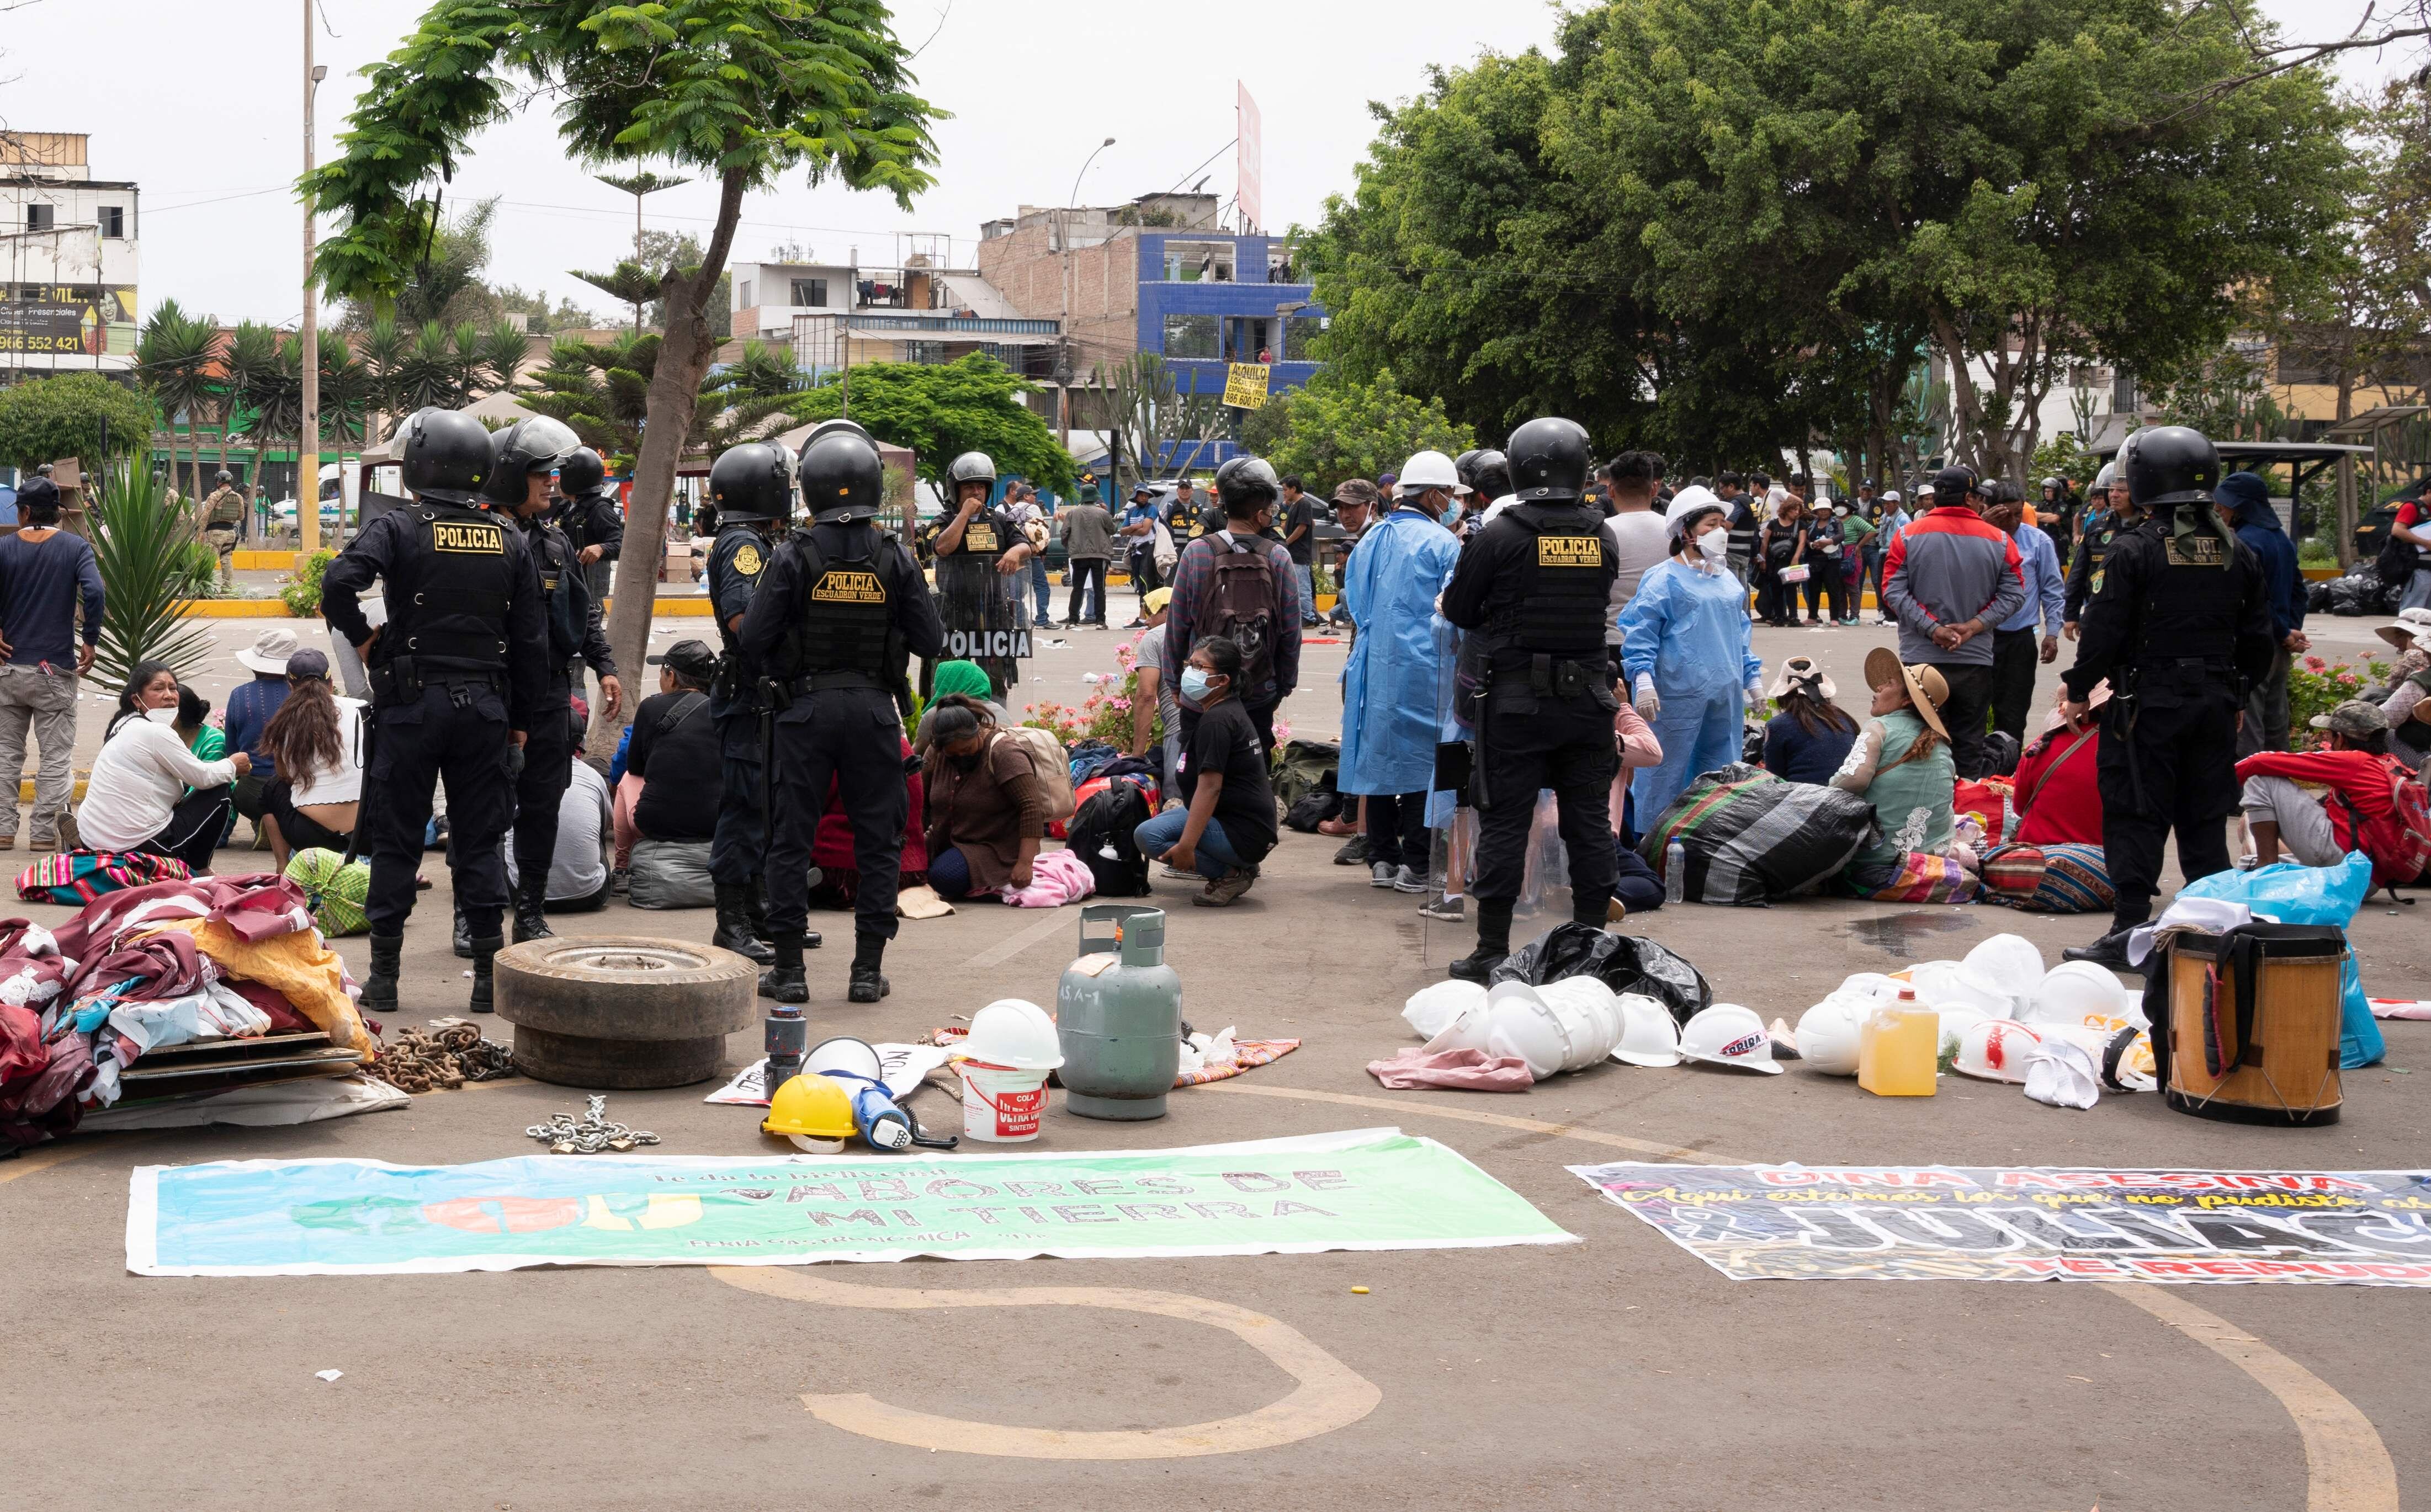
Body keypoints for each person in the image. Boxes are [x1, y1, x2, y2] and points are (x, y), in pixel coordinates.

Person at [321, 406, 548, 1014]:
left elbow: (338, 581)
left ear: (420, 466)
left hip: (412, 707)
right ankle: (482, 980)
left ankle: (387, 980)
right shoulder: (510, 540)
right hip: (486, 713)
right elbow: (532, 644)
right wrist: (521, 725)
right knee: (478, 843)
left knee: (396, 841)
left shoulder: (399, 527)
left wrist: (367, 641)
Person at [2057, 425, 2277, 972]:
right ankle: (2210, 934)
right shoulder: (2240, 554)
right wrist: (2237, 694)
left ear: (2147, 479)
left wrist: (2080, 688)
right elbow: (2258, 639)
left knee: (2136, 812)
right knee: (2204, 818)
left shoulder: (2133, 550)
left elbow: (2103, 628)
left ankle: (2131, 931)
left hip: (2146, 708)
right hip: (2215, 706)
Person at [743, 422, 945, 1003]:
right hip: (874, 712)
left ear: (811, 489)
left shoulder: (793, 556)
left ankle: (790, 971)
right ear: (869, 487)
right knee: (876, 843)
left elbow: (755, 636)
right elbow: (930, 639)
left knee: (790, 840)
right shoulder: (895, 557)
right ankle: (865, 971)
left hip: (804, 710)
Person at [1439, 417, 1623, 978]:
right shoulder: (1601, 534)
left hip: (1515, 705)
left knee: (1504, 821)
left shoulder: (1500, 535)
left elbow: (1463, 610)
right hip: (1589, 702)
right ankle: (1591, 946)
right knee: (1589, 822)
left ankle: (1491, 949)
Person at [491, 417, 621, 944]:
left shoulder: (556, 542)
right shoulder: (483, 540)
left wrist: (605, 666)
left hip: (548, 695)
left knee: (543, 804)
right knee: (483, 805)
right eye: (541, 472)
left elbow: (581, 610)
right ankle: (470, 916)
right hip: (492, 695)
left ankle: (530, 912)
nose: (553, 481)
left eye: (554, 472)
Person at [1337, 450, 1465, 892]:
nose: (1453, 501)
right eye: (1449, 493)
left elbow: (1355, 601)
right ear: (1433, 495)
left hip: (1375, 666)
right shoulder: (1444, 543)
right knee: (1422, 766)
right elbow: (1454, 610)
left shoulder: (1371, 539)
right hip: (1426, 668)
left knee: (1378, 759)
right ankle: (1417, 863)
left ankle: (1382, 859)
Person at [1617, 485, 1764, 828]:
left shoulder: (1727, 579)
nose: (1719, 532)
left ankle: (1708, 839)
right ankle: (1653, 842)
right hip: (1677, 693)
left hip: (1725, 693)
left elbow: (1739, 633)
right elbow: (1641, 632)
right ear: (1686, 531)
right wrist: (1643, 680)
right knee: (1666, 771)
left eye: (1721, 524)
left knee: (1720, 771)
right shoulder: (1664, 578)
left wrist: (1752, 678)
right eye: (1710, 524)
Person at [702, 439, 796, 966]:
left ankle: (759, 913)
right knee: (743, 812)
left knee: (765, 808)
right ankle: (731, 924)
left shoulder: (754, 540)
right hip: (747, 699)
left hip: (759, 697)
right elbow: (744, 621)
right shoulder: (742, 546)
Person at [1881, 466, 2025, 779]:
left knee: (1921, 746)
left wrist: (1934, 629)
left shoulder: (1907, 535)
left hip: (1921, 663)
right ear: (1971, 498)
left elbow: (1892, 590)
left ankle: (1923, 820)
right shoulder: (2000, 540)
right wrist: (1974, 626)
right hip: (1974, 662)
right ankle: (1964, 819)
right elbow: (2015, 595)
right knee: (1968, 748)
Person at [1165, 455, 1302, 757]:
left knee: (1199, 775)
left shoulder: (1197, 552)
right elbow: (1291, 632)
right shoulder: (1278, 557)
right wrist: (1282, 687)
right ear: (1260, 514)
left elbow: (1177, 625)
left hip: (1202, 691)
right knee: (1250, 778)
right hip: (1258, 692)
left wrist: (1176, 682)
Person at [1134, 635, 1278, 906]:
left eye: (1200, 668)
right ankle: (1236, 863)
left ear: (1222, 681)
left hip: (1242, 832)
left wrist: (1187, 847)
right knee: (1151, 829)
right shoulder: (1220, 711)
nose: (1190, 673)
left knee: (1149, 837)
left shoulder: (1218, 720)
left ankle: (1231, 873)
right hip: (1234, 821)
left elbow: (1210, 788)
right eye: (1191, 664)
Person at [0, 471, 100, 852]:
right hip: (54, 670)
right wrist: (89, 639)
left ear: (24, 512)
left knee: (6, 756)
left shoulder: (5, 549)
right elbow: (94, 592)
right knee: (56, 757)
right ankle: (43, 834)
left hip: (9, 671)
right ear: (56, 512)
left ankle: (4, 830)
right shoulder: (76, 549)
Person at [76, 662, 247, 874]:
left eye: (173, 688)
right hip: (137, 845)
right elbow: (202, 777)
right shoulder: (156, 732)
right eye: (158, 689)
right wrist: (233, 765)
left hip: (91, 840)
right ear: (136, 699)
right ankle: (199, 868)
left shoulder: (124, 723)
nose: (169, 695)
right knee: (219, 789)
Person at [2237, 700, 2428, 883]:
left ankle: (2265, 868)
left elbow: (2260, 761)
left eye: (2330, 735)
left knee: (2260, 780)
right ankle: (2264, 866)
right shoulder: (2389, 762)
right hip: (2368, 880)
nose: (2328, 740)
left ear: (2341, 738)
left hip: (2341, 862)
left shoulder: (2356, 761)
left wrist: (2215, 784)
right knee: (2247, 863)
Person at [1830, 648, 1966, 898]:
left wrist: (1820, 795)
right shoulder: (1941, 745)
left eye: (1889, 684)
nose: (1878, 689)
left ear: (1906, 701)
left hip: (1876, 863)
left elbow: (1853, 780)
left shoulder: (1880, 728)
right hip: (1930, 863)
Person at [920, 695, 1045, 904]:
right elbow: (920, 802)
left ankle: (996, 881)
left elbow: (1032, 806)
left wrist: (1025, 863)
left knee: (943, 877)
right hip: (948, 842)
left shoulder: (1005, 752)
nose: (961, 757)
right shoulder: (936, 753)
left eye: (967, 750)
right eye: (953, 754)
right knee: (896, 869)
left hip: (995, 848)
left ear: (978, 731)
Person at [931, 451, 1034, 700]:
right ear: (956, 490)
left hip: (993, 614)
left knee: (995, 681)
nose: (976, 492)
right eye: (969, 487)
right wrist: (964, 514)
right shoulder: (944, 520)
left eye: (981, 487)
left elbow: (1026, 547)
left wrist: (1013, 552)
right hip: (954, 614)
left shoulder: (998, 519)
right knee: (956, 684)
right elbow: (942, 547)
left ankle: (995, 726)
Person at [2220, 470, 2307, 756]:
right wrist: (2290, 633)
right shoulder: (2281, 539)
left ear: (2241, 506)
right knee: (2276, 721)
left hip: (2253, 643)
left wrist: (2283, 632)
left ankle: (2250, 796)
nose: (2221, 509)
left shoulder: (2244, 542)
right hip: (2280, 647)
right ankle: (2280, 788)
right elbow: (2299, 592)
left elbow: (2258, 601)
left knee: (2249, 723)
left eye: (2225, 504)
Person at [618, 638, 720, 877]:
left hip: (655, 822)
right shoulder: (722, 709)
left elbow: (635, 767)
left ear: (671, 677)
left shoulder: (650, 707)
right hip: (716, 821)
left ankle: (621, 868)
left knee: (626, 779)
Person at [255, 649, 363, 869]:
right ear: (331, 683)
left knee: (272, 788)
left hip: (309, 835)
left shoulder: (285, 721)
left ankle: (283, 868)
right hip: (367, 833)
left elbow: (285, 775)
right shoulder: (361, 708)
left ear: (290, 687)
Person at [1979, 480, 2066, 743]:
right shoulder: (1975, 539)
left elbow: (2052, 588)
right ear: (1990, 510)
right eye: (2006, 514)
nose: (2014, 521)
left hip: (2020, 640)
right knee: (1976, 710)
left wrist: (2052, 633)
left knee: (2014, 713)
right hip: (1981, 639)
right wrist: (1984, 528)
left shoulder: (2038, 542)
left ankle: (2007, 771)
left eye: (2019, 514)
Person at [507, 749, 614, 913]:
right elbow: (606, 824)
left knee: (501, 833)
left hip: (520, 894)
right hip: (590, 896)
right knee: (595, 832)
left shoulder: (516, 772)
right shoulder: (592, 775)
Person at [224, 627, 298, 839]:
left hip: (251, 794)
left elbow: (233, 752)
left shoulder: (239, 695)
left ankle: (264, 820)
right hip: (298, 792)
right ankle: (283, 825)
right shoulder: (304, 695)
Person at [2011, 696, 2105, 846]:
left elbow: (2019, 807)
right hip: (2099, 857)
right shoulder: (2124, 751)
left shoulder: (2040, 747)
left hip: (2035, 856)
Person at [1600, 451, 1673, 643]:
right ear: (1654, 489)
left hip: (1613, 639)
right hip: (1662, 640)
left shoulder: (1601, 533)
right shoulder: (1675, 532)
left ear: (1610, 491)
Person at [1761, 657, 1859, 784]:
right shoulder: (1844, 719)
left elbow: (1774, 778)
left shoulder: (1778, 726)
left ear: (1783, 696)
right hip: (1847, 797)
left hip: (1802, 799)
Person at [2062, 462, 2132, 636]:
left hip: (2134, 617)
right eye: (2110, 490)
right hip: (2098, 613)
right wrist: (2071, 615)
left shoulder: (2149, 526)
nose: (2114, 495)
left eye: (2121, 491)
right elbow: (2078, 572)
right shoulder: (2096, 527)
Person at [552, 446, 625, 603]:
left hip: (588, 590)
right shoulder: (566, 507)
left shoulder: (600, 510)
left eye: (562, 476)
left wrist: (601, 548)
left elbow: (620, 544)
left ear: (573, 480)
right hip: (566, 584)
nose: (557, 481)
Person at [1125, 589, 1183, 784]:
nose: (1147, 621)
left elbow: (1146, 696)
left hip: (1180, 729)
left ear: (1167, 611)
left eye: (1151, 613)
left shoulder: (1156, 637)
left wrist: (1137, 754)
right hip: (1221, 725)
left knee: (1176, 801)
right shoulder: (1206, 627)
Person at [1056, 482, 1116, 630]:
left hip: (1078, 556)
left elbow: (1064, 533)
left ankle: (1072, 620)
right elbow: (1113, 529)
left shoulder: (1072, 513)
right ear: (1095, 498)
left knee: (1077, 588)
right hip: (1099, 555)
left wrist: (1071, 547)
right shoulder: (1102, 513)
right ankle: (1100, 621)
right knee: (1099, 589)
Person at [1327, 478, 1379, 629]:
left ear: (1372, 508)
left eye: (1352, 507)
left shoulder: (1379, 539)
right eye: (1341, 509)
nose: (1345, 515)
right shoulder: (1365, 540)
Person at [1120, 483, 1172, 626]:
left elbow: (1146, 530)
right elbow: (1122, 531)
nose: (1144, 497)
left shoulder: (1152, 509)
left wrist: (1131, 530)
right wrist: (1135, 527)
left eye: (1146, 495)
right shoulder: (1131, 512)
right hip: (1136, 551)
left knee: (1147, 584)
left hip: (1149, 550)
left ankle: (1145, 619)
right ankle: (1144, 618)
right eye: (1141, 494)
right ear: (1135, 496)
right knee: (1140, 585)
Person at [1004, 482, 1054, 626]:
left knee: (1018, 591)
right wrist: (1043, 551)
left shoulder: (1012, 510)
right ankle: (1043, 619)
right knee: (1042, 587)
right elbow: (1042, 533)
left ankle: (1021, 620)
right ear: (1026, 496)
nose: (1035, 497)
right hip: (1032, 555)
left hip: (1016, 554)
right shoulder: (1033, 508)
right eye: (1033, 495)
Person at [1755, 489, 1808, 627]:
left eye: (1798, 510)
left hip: (1791, 562)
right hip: (1774, 561)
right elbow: (1765, 542)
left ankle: (1793, 617)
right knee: (1776, 589)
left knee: (1792, 590)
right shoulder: (1773, 524)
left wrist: (1796, 558)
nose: (1796, 513)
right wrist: (1763, 560)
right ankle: (1779, 617)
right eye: (1793, 510)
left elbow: (1802, 542)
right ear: (1786, 510)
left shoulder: (1800, 525)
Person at [1278, 474, 1323, 627]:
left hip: (1299, 552)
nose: (1284, 493)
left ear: (1294, 489)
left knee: (1303, 587)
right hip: (1294, 552)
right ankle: (1308, 615)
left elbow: (1302, 526)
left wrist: (1287, 542)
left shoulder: (1304, 504)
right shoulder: (1294, 505)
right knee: (1300, 586)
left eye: (1285, 490)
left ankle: (1308, 618)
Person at [201, 470, 246, 589]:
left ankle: (205, 588)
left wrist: (201, 531)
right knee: (226, 560)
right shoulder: (238, 497)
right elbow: (241, 517)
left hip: (215, 533)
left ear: (219, 482)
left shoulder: (215, 495)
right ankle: (227, 588)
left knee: (209, 560)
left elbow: (206, 515)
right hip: (230, 533)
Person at [2393, 482, 2431, 613]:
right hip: (2419, 567)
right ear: (2429, 492)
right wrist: (2425, 543)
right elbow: (2397, 530)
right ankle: (2406, 633)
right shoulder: (2412, 507)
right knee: (2414, 609)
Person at [1836, 502, 1875, 626]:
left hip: (1851, 553)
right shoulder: (1834, 520)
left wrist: (1859, 545)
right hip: (1837, 554)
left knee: (1852, 586)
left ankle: (1854, 616)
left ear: (1849, 508)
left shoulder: (1855, 520)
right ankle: (1841, 615)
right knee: (1840, 587)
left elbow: (1871, 531)